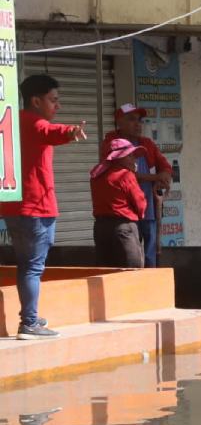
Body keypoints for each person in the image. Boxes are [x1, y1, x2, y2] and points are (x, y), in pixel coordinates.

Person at [0, 75, 87, 340]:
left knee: (28, 265)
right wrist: (71, 132)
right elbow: (51, 131)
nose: (57, 106)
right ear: (35, 101)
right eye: (53, 100)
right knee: (32, 267)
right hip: (36, 207)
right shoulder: (35, 122)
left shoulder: (13, 123)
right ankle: (29, 322)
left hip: (14, 207)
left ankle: (31, 318)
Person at [101, 104, 172, 267]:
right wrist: (155, 176)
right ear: (119, 122)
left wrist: (165, 177)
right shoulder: (111, 143)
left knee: (150, 253)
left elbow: (165, 166)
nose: (138, 124)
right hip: (124, 215)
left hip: (148, 208)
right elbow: (123, 175)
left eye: (139, 120)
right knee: (130, 256)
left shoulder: (147, 143)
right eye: (131, 119)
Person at [89, 138, 147, 268]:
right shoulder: (125, 175)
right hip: (123, 228)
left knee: (105, 273)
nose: (134, 159)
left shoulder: (96, 176)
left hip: (100, 229)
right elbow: (140, 204)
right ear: (119, 158)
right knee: (132, 273)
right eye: (130, 156)